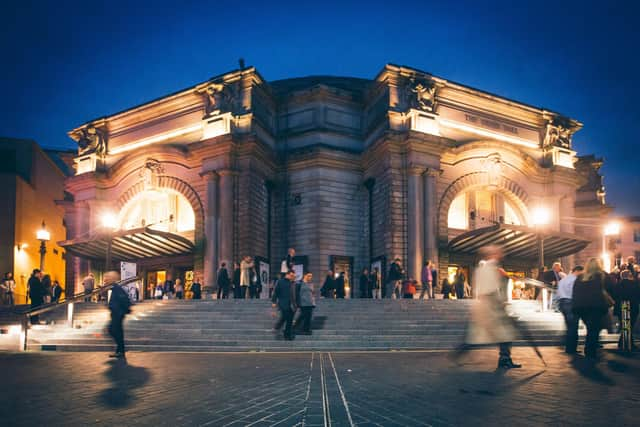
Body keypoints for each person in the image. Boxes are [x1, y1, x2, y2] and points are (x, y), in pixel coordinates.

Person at [454, 245, 521, 369]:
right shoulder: (489, 268)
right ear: (492, 255)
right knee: (502, 333)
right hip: (490, 308)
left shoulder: (488, 268)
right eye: (498, 252)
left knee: (498, 334)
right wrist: (500, 303)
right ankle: (504, 359)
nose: (501, 254)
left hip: (488, 307)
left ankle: (504, 359)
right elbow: (489, 290)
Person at [572, 258, 615, 360]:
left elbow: (575, 291)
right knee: (594, 329)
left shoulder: (581, 277)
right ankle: (590, 351)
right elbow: (611, 288)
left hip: (581, 307)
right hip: (596, 306)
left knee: (591, 328)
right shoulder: (602, 275)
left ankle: (589, 350)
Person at [556, 265, 584, 354]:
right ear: (577, 271)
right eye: (581, 273)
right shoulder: (575, 280)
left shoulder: (563, 280)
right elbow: (575, 293)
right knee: (573, 327)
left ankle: (569, 348)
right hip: (571, 302)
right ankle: (571, 349)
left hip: (562, 302)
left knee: (569, 326)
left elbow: (559, 292)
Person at [611, 269, 639, 350]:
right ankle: (628, 344)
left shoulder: (618, 285)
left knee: (624, 325)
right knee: (630, 325)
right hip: (632, 306)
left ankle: (622, 343)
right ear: (630, 275)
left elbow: (614, 295)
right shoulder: (635, 284)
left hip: (621, 306)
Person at [107, 271, 131, 358]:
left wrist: (123, 311)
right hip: (116, 313)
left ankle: (120, 350)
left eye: (107, 278)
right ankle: (120, 351)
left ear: (112, 279)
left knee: (113, 330)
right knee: (116, 331)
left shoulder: (117, 288)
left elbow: (123, 300)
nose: (105, 279)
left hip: (118, 314)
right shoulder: (115, 288)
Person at [272, 270, 298, 340]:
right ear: (287, 275)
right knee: (286, 317)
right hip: (283, 303)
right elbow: (276, 292)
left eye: (293, 276)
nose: (293, 277)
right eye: (291, 276)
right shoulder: (280, 282)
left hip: (292, 305)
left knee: (289, 320)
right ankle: (281, 330)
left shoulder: (293, 283)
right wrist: (274, 301)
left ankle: (285, 334)